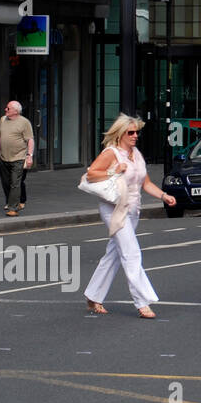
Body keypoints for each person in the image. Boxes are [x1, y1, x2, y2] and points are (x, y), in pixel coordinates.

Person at [82, 114, 176, 317]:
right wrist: (114, 171)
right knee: (131, 252)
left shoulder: (137, 154)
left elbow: (146, 183)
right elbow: (91, 174)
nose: (135, 136)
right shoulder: (111, 153)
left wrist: (164, 195)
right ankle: (142, 302)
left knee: (114, 253)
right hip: (114, 210)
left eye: (137, 132)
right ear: (120, 133)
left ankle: (93, 296)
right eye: (130, 132)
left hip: (133, 209)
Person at [0, 100, 34, 216]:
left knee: (15, 182)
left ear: (16, 111)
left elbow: (30, 140)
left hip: (19, 157)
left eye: (8, 108)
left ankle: (13, 208)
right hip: (3, 157)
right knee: (6, 182)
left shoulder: (24, 122)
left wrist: (29, 156)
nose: (5, 110)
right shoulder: (2, 120)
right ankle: (10, 201)